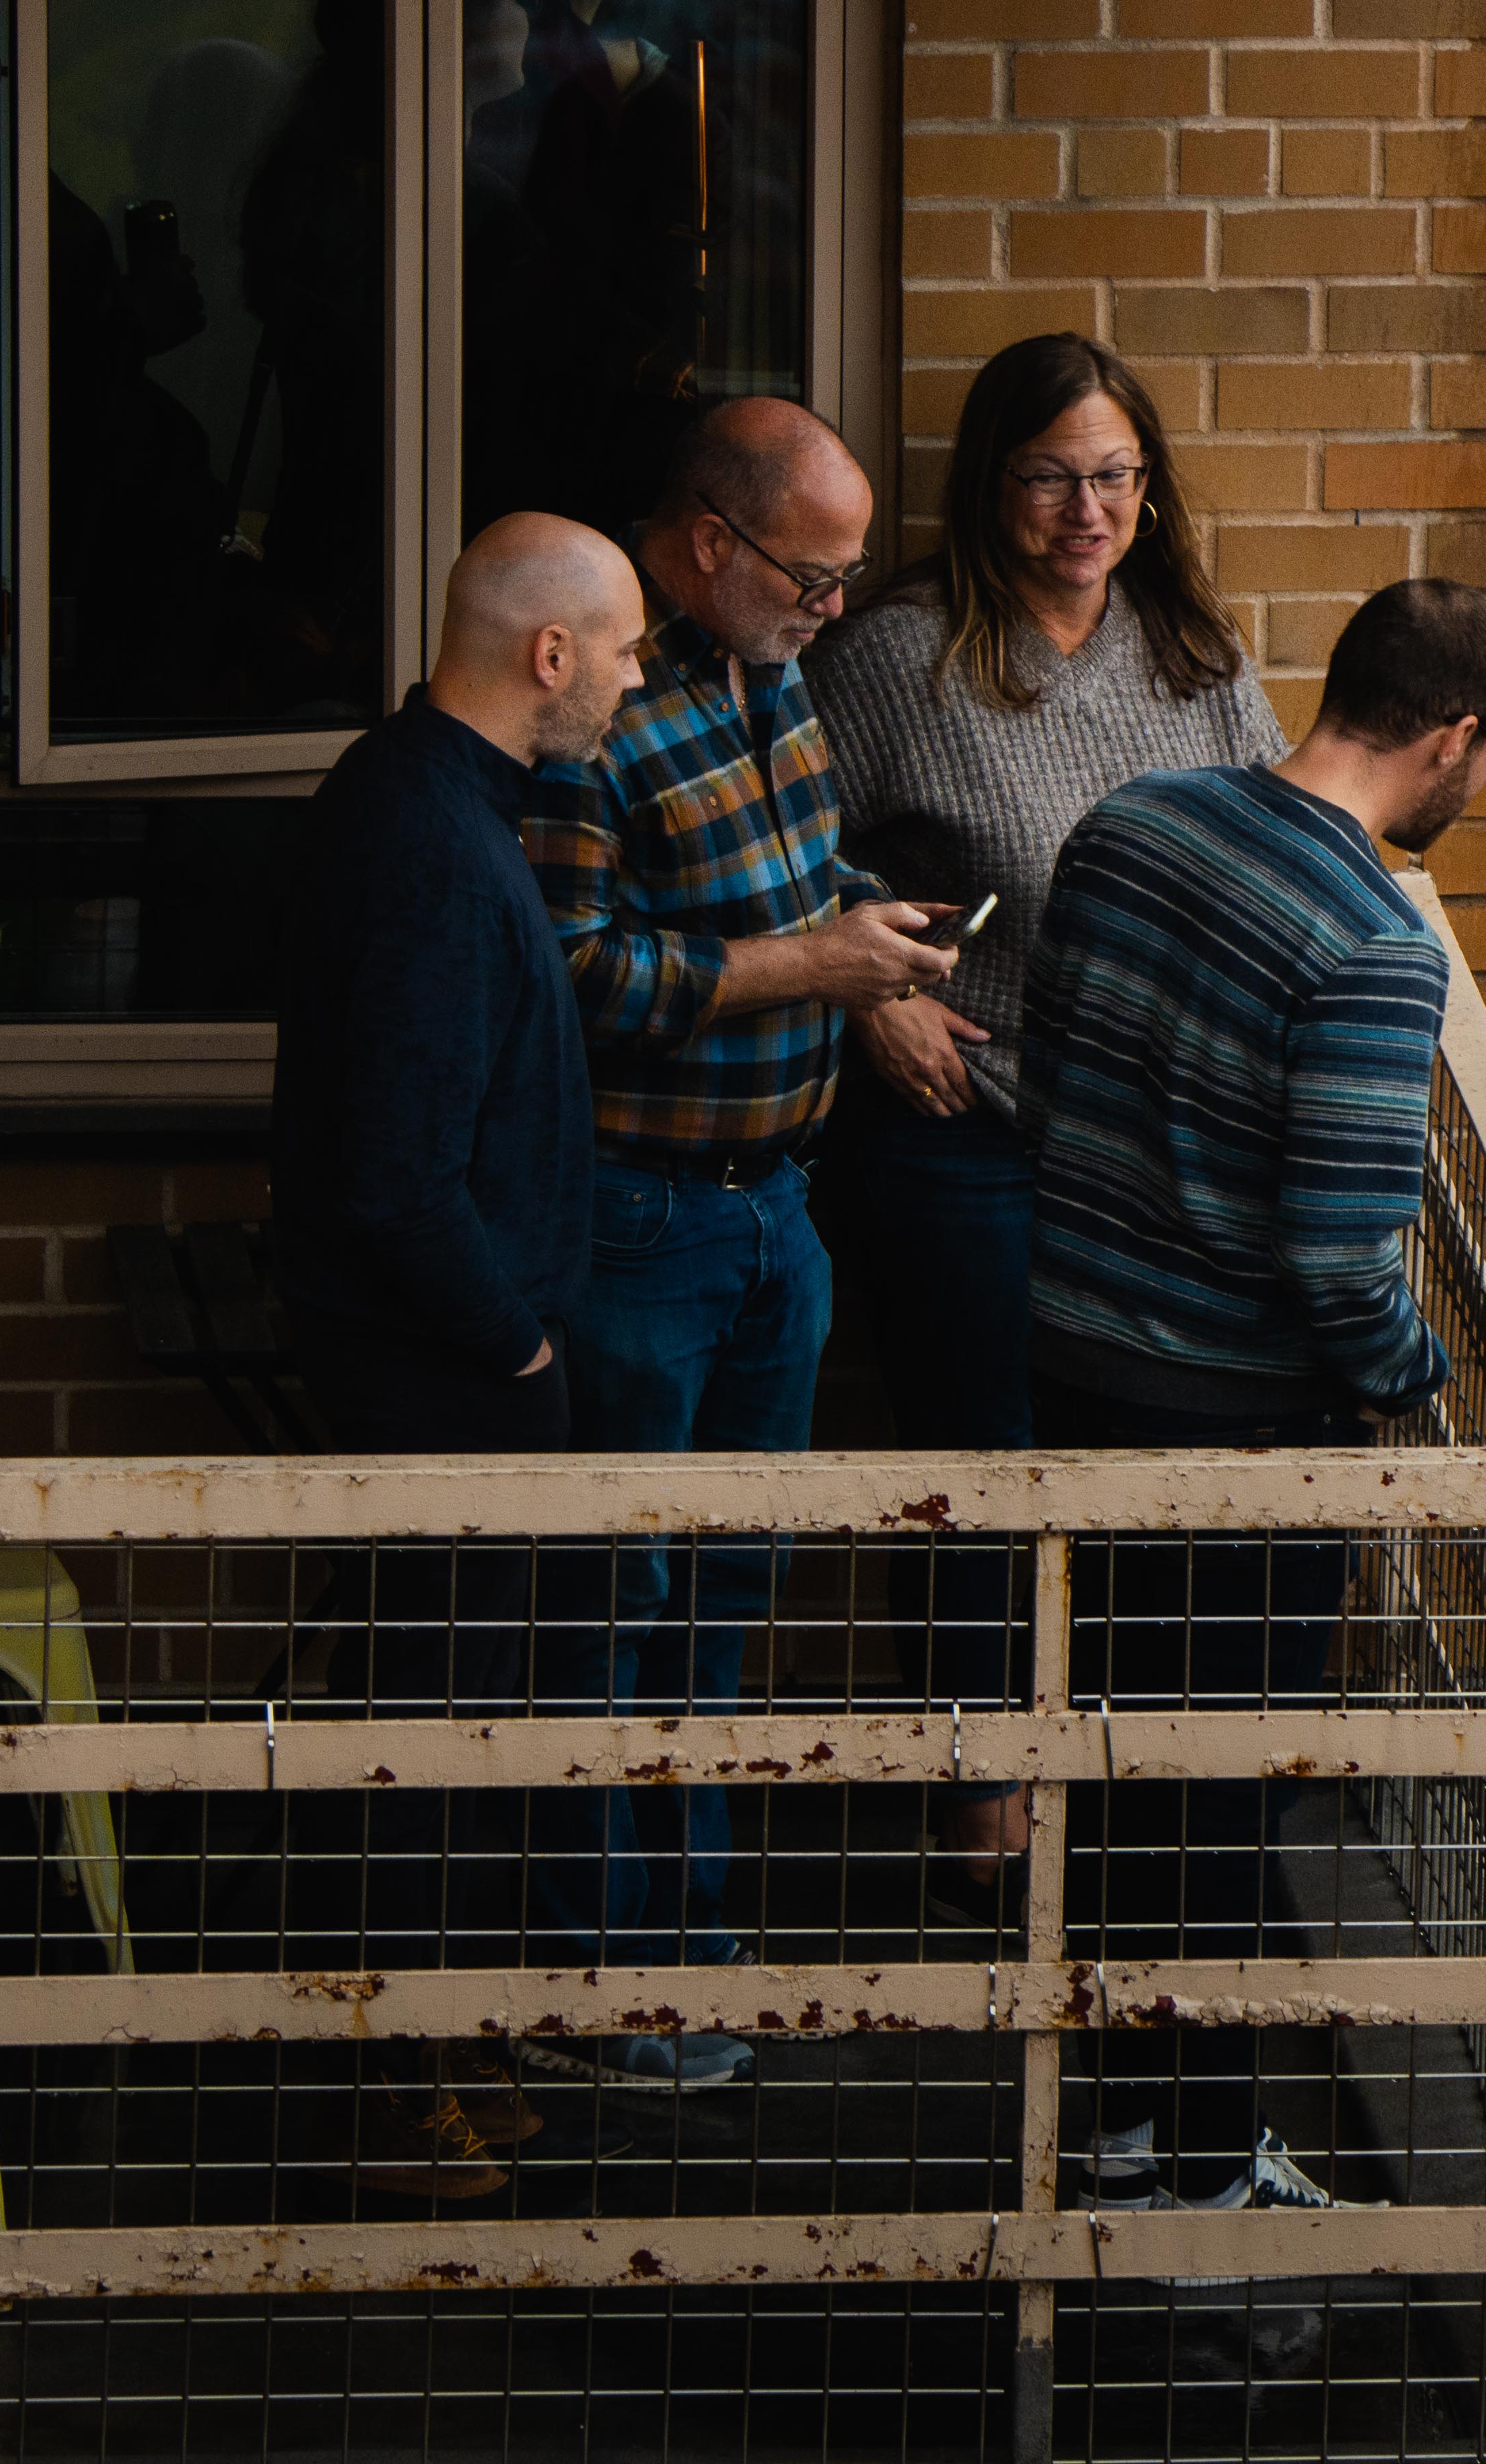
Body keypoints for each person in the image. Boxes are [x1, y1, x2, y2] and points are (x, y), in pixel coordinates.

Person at [1017, 573, 1486, 2216]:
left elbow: (1043, 1079)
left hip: (1071, 1362)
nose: (1483, 781)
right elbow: (1335, 1251)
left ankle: (1108, 2123)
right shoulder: (1380, 944)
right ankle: (1208, 2172)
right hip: (1237, 1426)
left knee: (1104, 1757)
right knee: (1225, 1790)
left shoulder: (1130, 822)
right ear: (1450, 734)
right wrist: (1411, 1381)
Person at [516, 397, 962, 2085]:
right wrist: (814, 971)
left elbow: (797, 871)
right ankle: (600, 1985)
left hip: (779, 1204)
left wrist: (880, 959)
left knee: (719, 1597)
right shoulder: (593, 717)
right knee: (617, 1605)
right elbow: (576, 982)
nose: (831, 608)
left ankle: (686, 1939)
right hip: (639, 1226)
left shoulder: (766, 668)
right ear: (707, 542)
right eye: (811, 573)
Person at [803, 333, 1283, 1887]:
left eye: (1115, 475)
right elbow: (776, 843)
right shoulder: (899, 657)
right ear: (990, 482)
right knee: (983, 1466)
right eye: (1050, 475)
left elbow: (1280, 857)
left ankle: (1110, 1795)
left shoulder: (1192, 658)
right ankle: (979, 1810)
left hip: (1151, 1157)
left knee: (1132, 1467)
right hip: (963, 1130)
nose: (1087, 508)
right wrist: (867, 992)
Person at [268, 512, 648, 2195]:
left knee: (443, 1732)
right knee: (418, 1744)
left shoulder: (424, 795)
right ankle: (384, 2077)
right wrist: (513, 1352)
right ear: (548, 655)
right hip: (440, 1374)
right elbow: (397, 1171)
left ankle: (424, 2036)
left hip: (450, 1363)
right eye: (625, 648)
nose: (638, 679)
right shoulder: (431, 838)